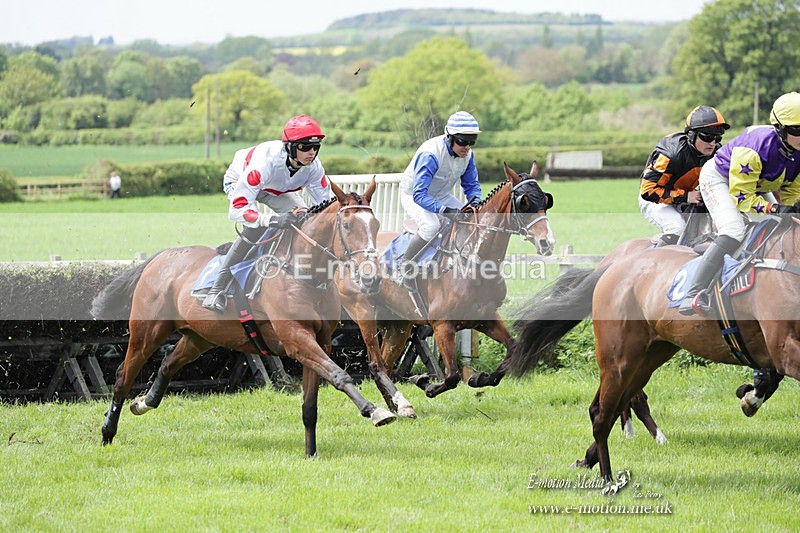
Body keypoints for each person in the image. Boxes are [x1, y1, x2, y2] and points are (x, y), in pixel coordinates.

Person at [678, 92, 800, 316]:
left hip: (757, 184)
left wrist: (791, 208)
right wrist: (774, 208)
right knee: (734, 229)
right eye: (797, 130)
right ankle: (693, 292)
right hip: (719, 180)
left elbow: (792, 190)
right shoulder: (754, 148)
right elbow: (742, 198)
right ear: (781, 129)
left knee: (783, 224)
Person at [203, 114, 330, 313]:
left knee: (303, 220)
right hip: (240, 183)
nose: (311, 152)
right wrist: (273, 220)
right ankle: (216, 289)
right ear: (290, 147)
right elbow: (237, 210)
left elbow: (324, 206)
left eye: (316, 147)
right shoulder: (266, 164)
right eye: (305, 147)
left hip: (274, 191)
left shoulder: (314, 167)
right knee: (255, 228)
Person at [398, 111, 482, 278]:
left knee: (474, 221)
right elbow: (419, 194)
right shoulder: (431, 154)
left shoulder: (468, 155)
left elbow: (471, 185)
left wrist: (475, 203)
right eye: (462, 141)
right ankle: (405, 267)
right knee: (431, 226)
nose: (467, 147)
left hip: (441, 195)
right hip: (413, 195)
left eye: (472, 141)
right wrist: (445, 211)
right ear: (449, 136)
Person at [639, 106, 730, 246]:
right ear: (691, 135)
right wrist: (686, 196)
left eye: (717, 137)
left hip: (686, 197)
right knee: (676, 227)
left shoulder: (716, 152)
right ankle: (652, 261)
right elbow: (647, 191)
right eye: (707, 136)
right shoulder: (671, 154)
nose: (713, 142)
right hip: (655, 199)